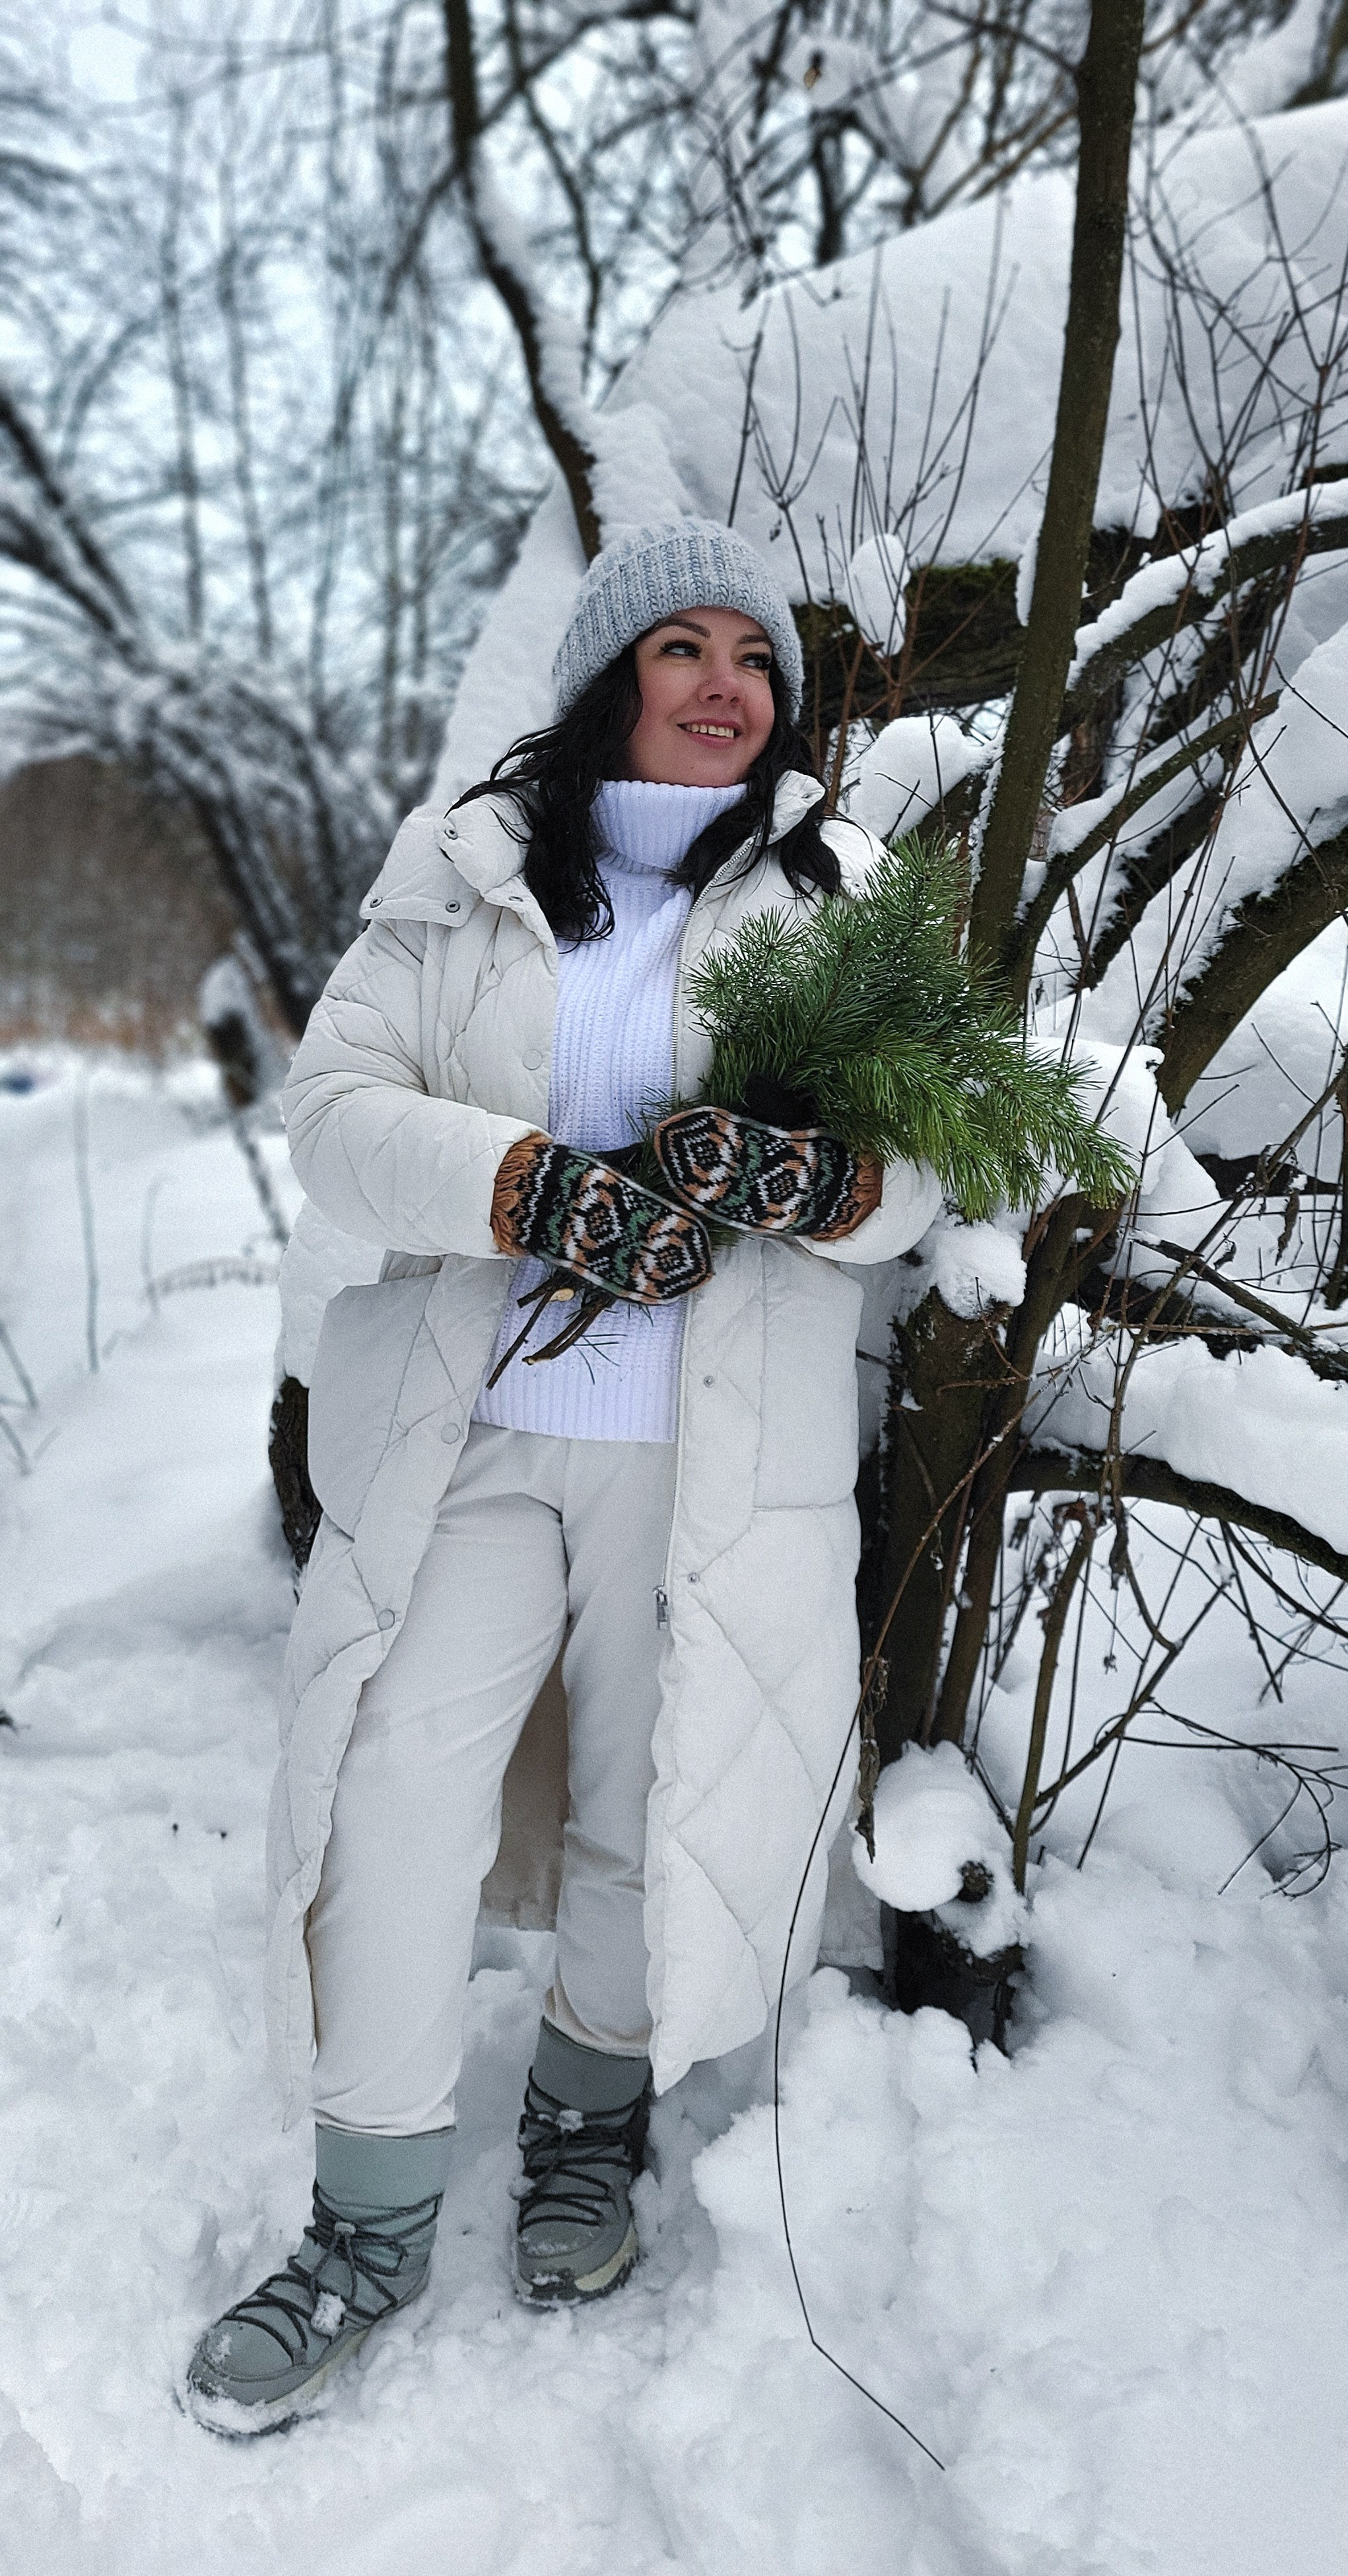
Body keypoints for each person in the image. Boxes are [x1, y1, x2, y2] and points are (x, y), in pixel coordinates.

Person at [185, 517, 941, 2434]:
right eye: (679, 649)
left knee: (644, 1804)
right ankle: (363, 2221)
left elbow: (935, 1164)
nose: (721, 687)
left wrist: (820, 1183)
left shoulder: (838, 894)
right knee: (392, 1801)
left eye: (751, 661)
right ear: (611, 680)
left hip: (711, 1461)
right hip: (476, 1435)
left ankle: (582, 2139)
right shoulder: (458, 886)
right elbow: (337, 1127)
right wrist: (525, 1184)